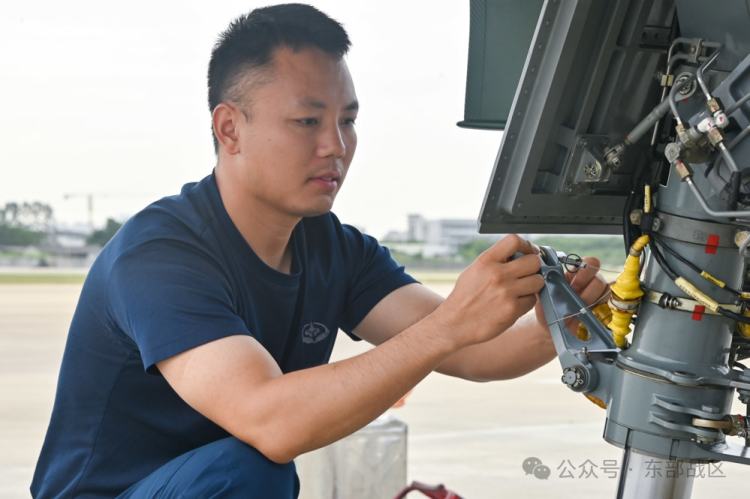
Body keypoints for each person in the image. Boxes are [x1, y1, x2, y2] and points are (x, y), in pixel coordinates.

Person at [31, 4, 607, 498]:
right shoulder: (161, 256)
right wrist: (449, 324)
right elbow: (272, 422)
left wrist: (559, 325)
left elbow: (475, 352)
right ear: (229, 129)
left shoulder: (333, 247)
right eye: (307, 121)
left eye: (348, 120)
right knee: (252, 467)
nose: (336, 146)